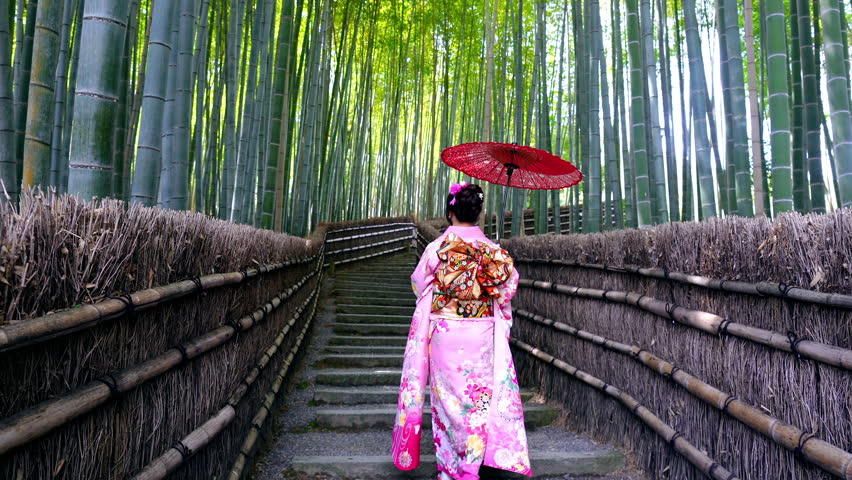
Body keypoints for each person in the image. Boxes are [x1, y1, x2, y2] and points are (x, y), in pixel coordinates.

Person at [392, 182, 532, 479]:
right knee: (478, 399)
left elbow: (418, 285)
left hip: (445, 331)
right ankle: (471, 465)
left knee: (448, 401)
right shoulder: (493, 250)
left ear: (450, 211)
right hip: (482, 334)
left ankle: (450, 470)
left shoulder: (437, 247)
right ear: (478, 213)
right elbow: (508, 289)